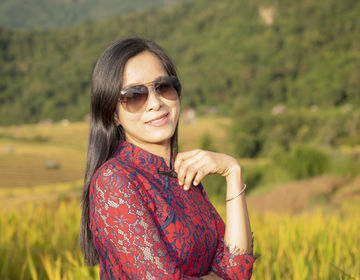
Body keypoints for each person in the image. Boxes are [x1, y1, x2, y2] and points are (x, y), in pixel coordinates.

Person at [79, 37, 257, 279]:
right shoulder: (114, 180)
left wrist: (232, 172)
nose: (155, 103)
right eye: (134, 95)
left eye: (163, 87)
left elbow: (236, 269)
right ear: (113, 114)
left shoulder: (182, 175)